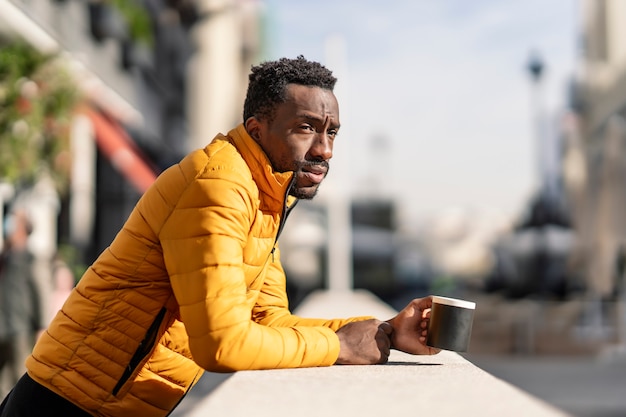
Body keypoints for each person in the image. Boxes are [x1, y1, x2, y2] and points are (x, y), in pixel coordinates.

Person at [0, 56, 439, 417]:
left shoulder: (265, 195)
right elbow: (223, 345)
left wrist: (382, 332)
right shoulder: (220, 185)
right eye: (305, 128)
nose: (324, 149)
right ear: (256, 129)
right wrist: (339, 346)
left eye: (331, 132)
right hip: (67, 405)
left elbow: (269, 323)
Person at [0, 210, 42, 398]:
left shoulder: (30, 259)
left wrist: (41, 325)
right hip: (2, 326)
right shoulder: (5, 256)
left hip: (20, 328)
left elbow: (40, 293)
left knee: (19, 380)